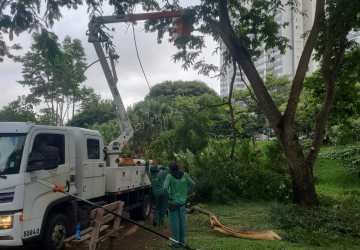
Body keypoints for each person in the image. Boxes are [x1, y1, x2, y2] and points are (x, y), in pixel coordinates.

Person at [163, 161, 194, 248]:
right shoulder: (185, 175)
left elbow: (165, 188)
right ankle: (183, 242)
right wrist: (186, 194)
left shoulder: (169, 176)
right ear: (178, 168)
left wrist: (169, 198)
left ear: (170, 169)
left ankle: (175, 243)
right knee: (182, 223)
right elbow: (193, 185)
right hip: (182, 204)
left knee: (174, 224)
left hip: (173, 204)